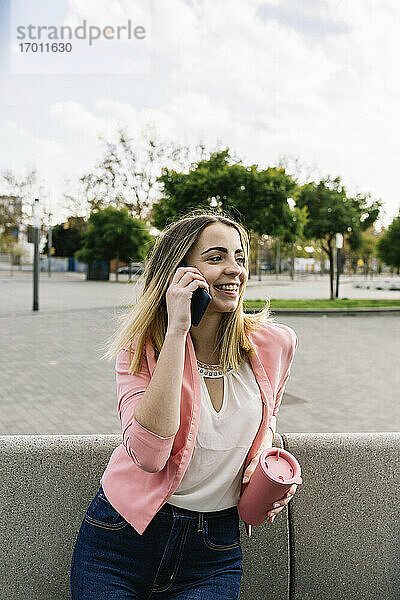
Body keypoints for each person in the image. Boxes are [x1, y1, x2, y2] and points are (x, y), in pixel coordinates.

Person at [70, 209, 298, 600]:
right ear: (179, 275)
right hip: (120, 541)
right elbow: (148, 454)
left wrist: (261, 475)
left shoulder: (275, 345)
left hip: (212, 552)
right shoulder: (142, 349)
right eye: (215, 258)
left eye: (239, 258)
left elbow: (267, 420)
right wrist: (177, 330)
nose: (234, 270)